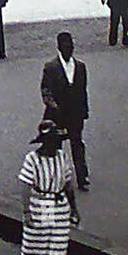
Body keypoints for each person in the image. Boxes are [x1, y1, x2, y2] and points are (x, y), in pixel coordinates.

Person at [18, 119, 80, 255]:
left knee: (58, 247)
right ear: (44, 142)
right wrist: (27, 211)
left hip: (59, 204)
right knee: (35, 242)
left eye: (56, 140)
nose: (55, 145)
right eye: (51, 141)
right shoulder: (33, 159)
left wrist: (74, 208)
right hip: (41, 203)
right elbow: (25, 186)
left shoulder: (62, 157)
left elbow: (68, 183)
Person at [40, 32, 90, 190]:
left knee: (77, 144)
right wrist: (54, 107)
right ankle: (58, 178)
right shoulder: (51, 67)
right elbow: (46, 92)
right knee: (57, 146)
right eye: (66, 47)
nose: (69, 50)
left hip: (75, 114)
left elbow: (83, 90)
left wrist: (84, 111)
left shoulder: (80, 67)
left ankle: (82, 176)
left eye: (71, 47)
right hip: (58, 115)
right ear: (59, 48)